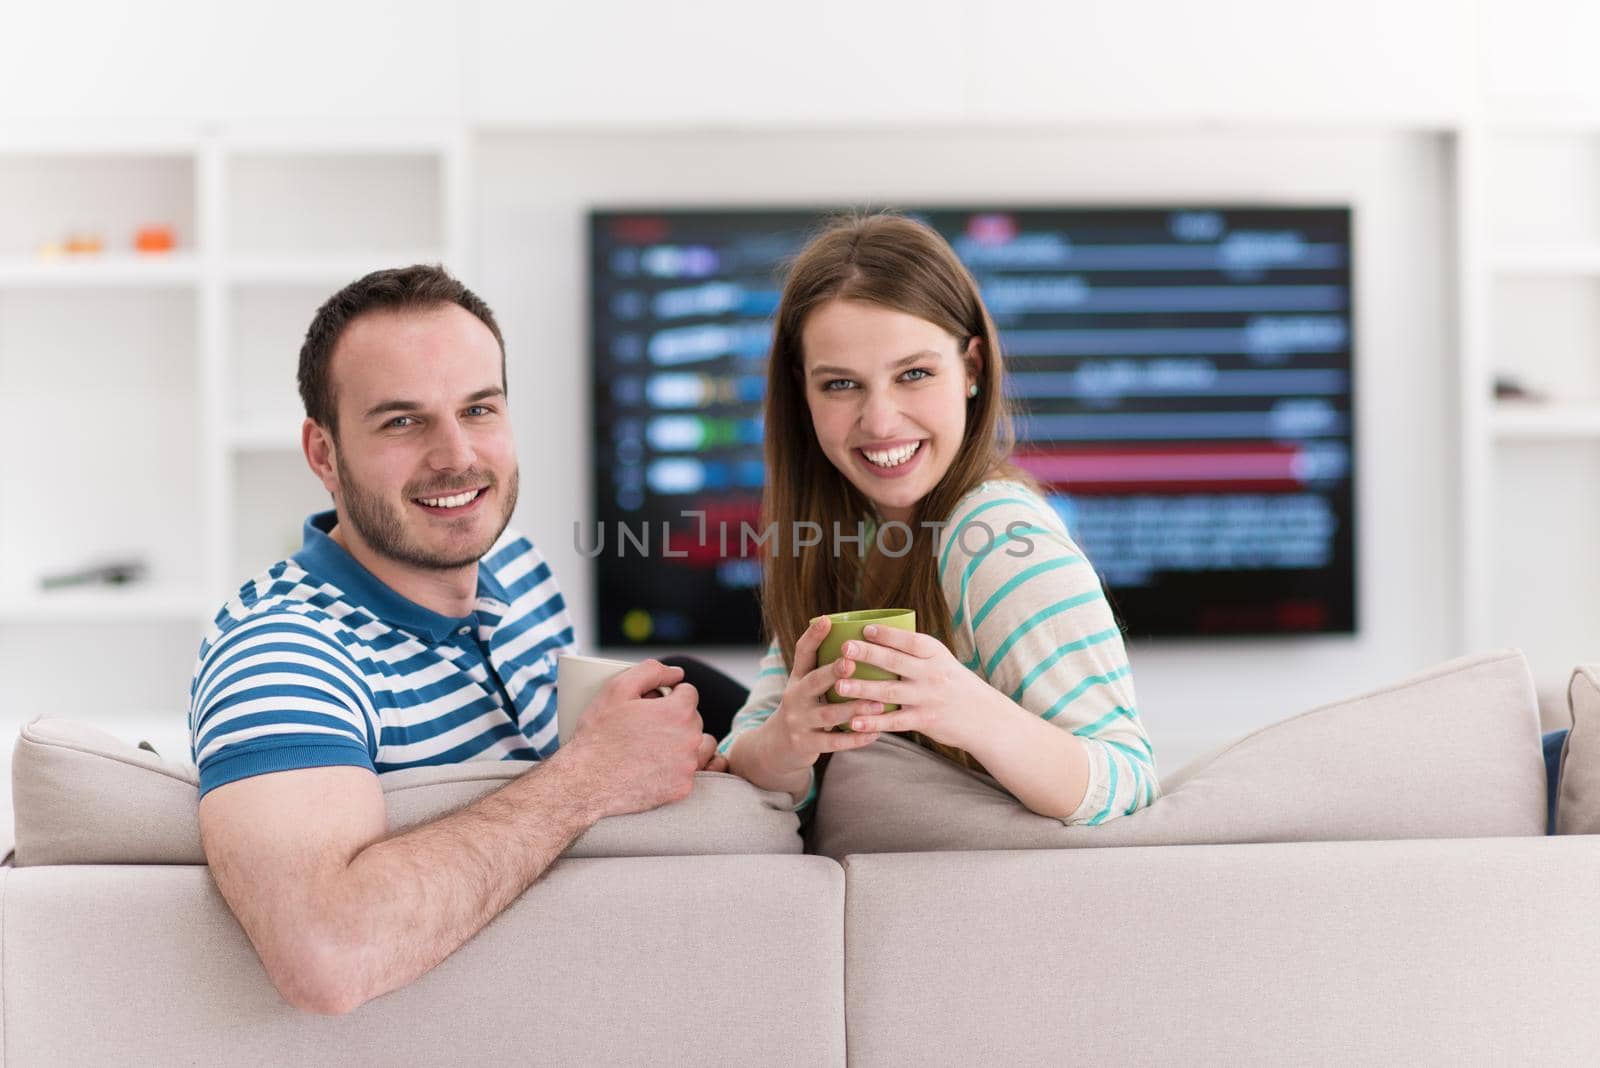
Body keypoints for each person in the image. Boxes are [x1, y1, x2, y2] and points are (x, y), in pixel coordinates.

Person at [189, 264, 735, 1016]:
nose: (456, 455)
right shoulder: (281, 652)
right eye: (402, 421)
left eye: (478, 409)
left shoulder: (519, 568)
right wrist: (589, 779)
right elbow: (326, 955)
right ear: (323, 454)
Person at [721, 214, 1159, 824]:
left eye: (914, 374)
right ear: (803, 395)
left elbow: (1130, 781)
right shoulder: (843, 538)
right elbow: (742, 754)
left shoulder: (1000, 539)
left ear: (972, 370)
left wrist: (967, 711)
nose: (879, 421)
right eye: (841, 384)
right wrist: (788, 740)